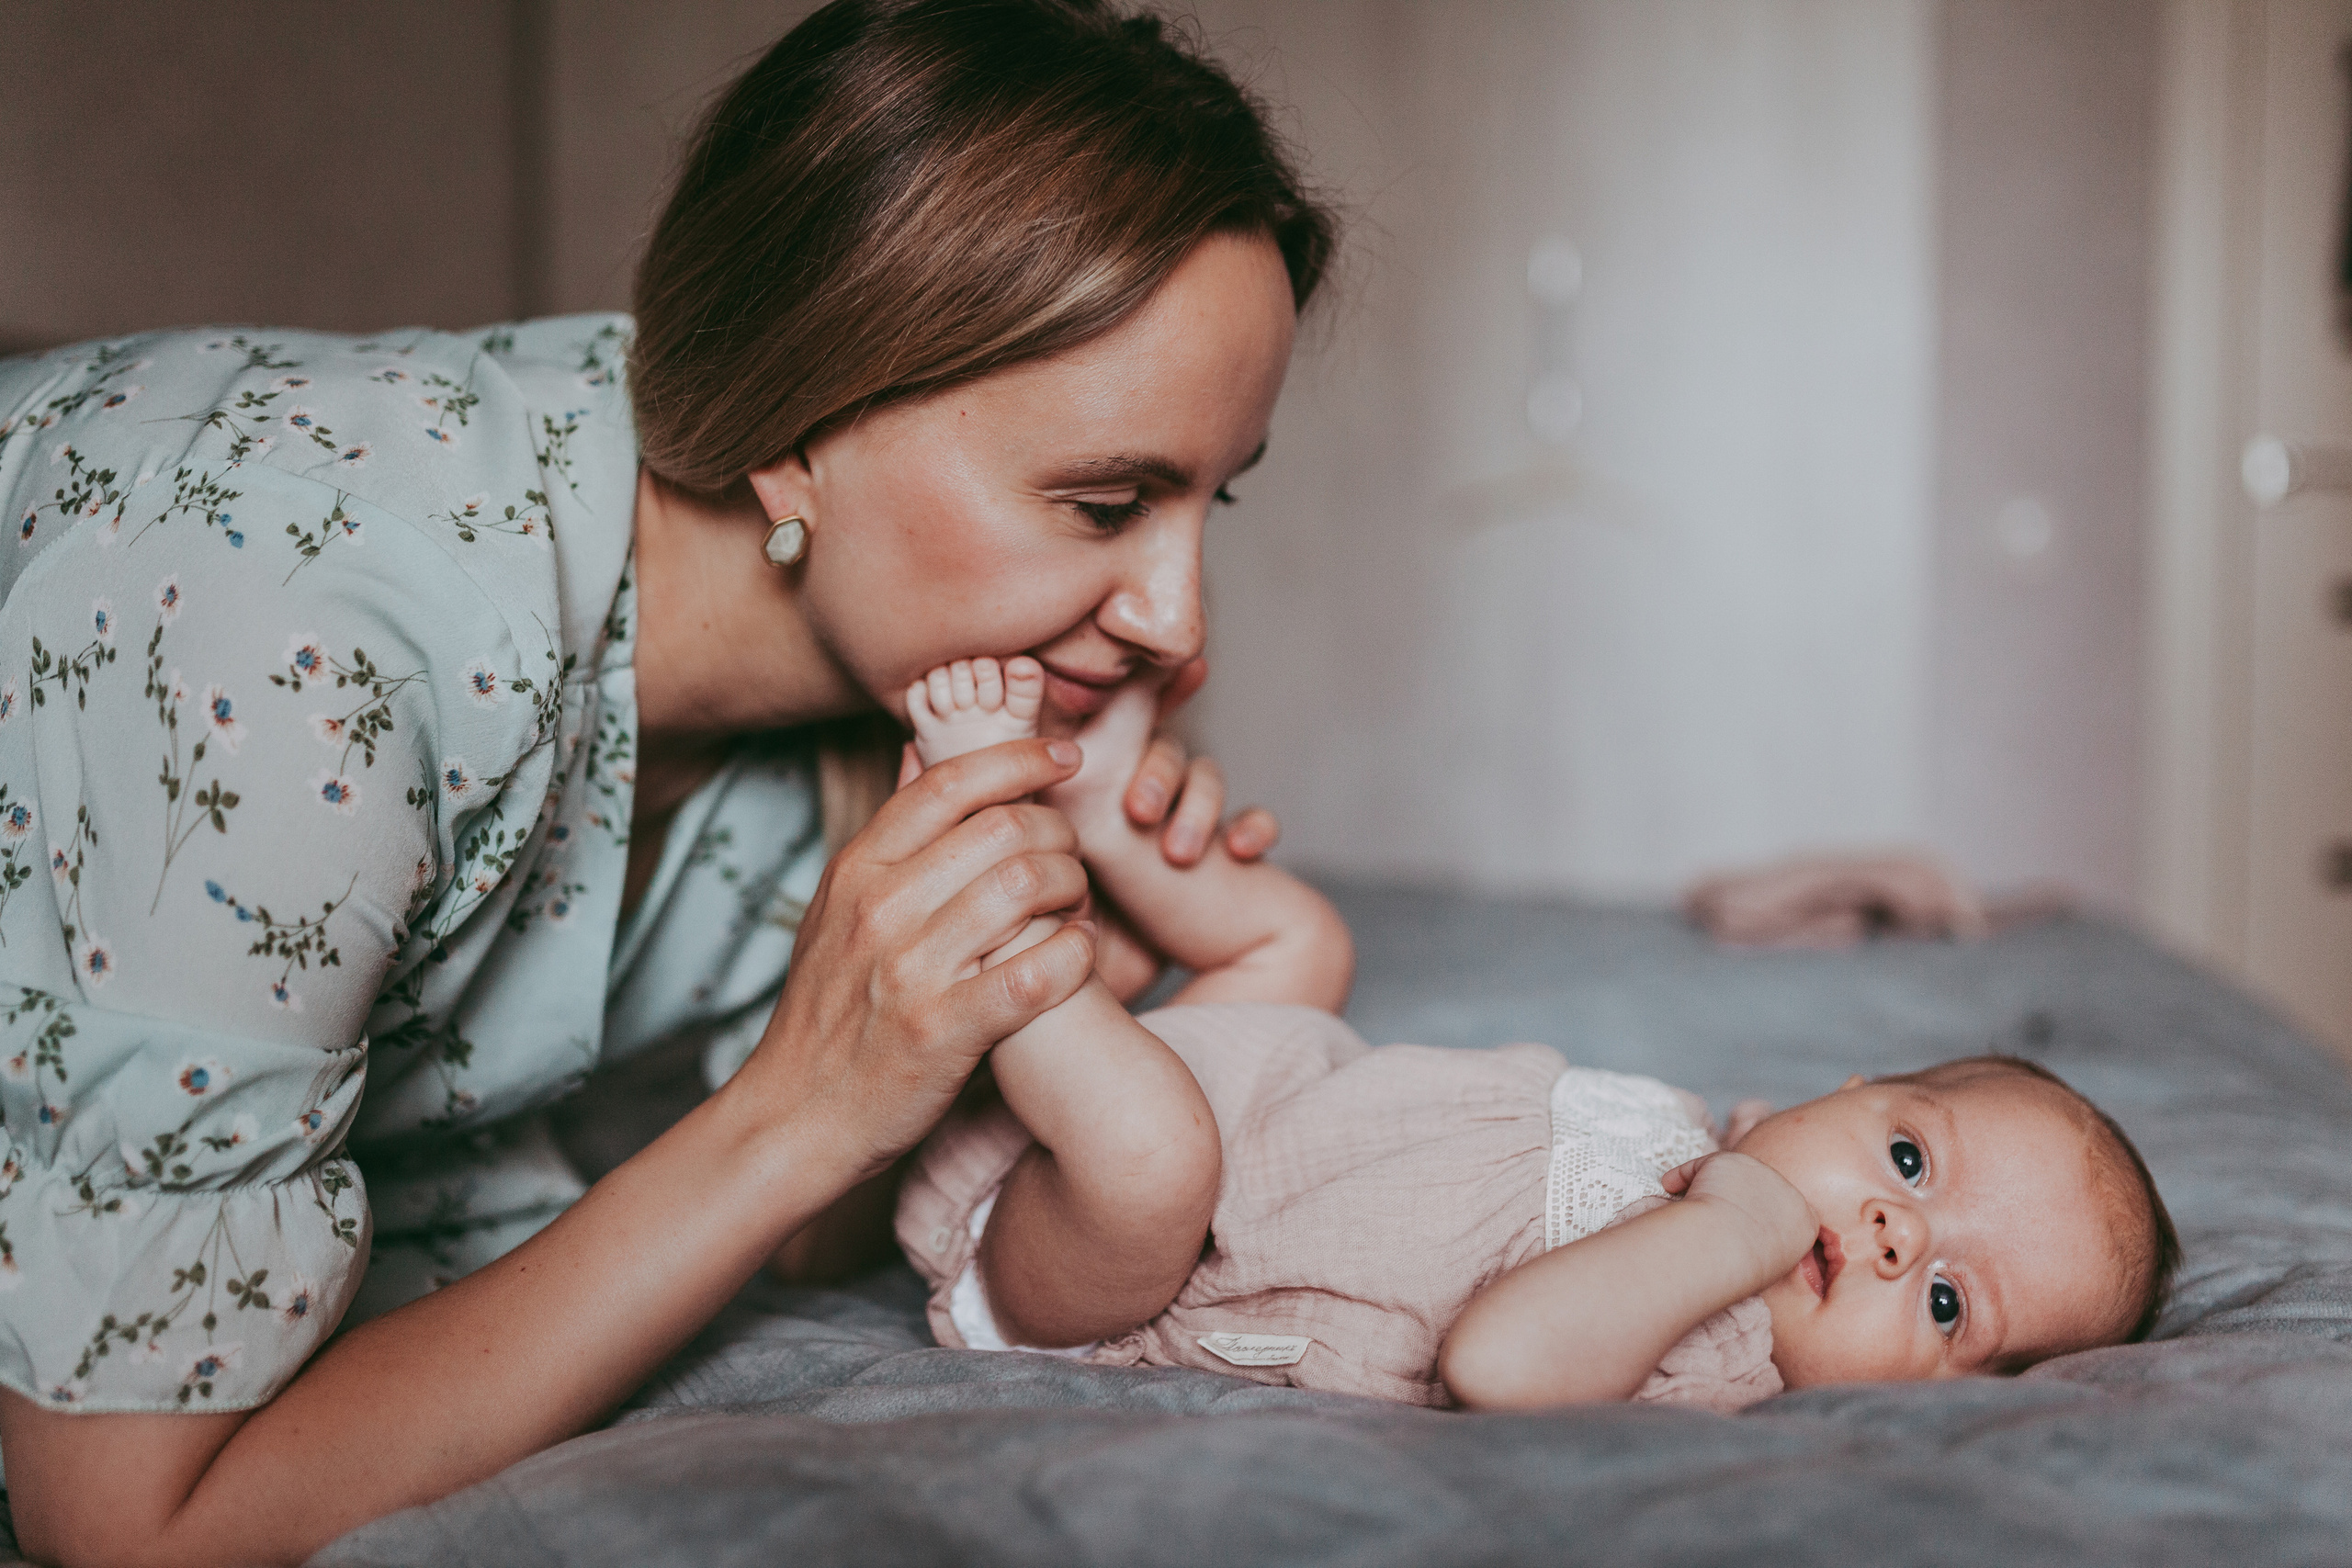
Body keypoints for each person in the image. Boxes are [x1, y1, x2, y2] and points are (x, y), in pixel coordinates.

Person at [0, 3, 1335, 1562]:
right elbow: (129, 1526)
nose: (1181, 624)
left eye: (1210, 504)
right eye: (1105, 503)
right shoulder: (307, 640)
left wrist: (1040, 970)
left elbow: (819, 1240)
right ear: (796, 431)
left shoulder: (881, 687)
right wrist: (794, 1111)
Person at [891, 659, 2182, 1409]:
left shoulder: (1712, 1350)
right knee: (1303, 949)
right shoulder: (1704, 1129)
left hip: (1116, 1265)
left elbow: (1500, 1364)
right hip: (1247, 1110)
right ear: (1848, 1088)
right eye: (1908, 1159)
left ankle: (981, 866)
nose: (1898, 1233)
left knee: (1151, 1153)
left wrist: (1734, 1233)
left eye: (1947, 1302)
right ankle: (1101, 808)